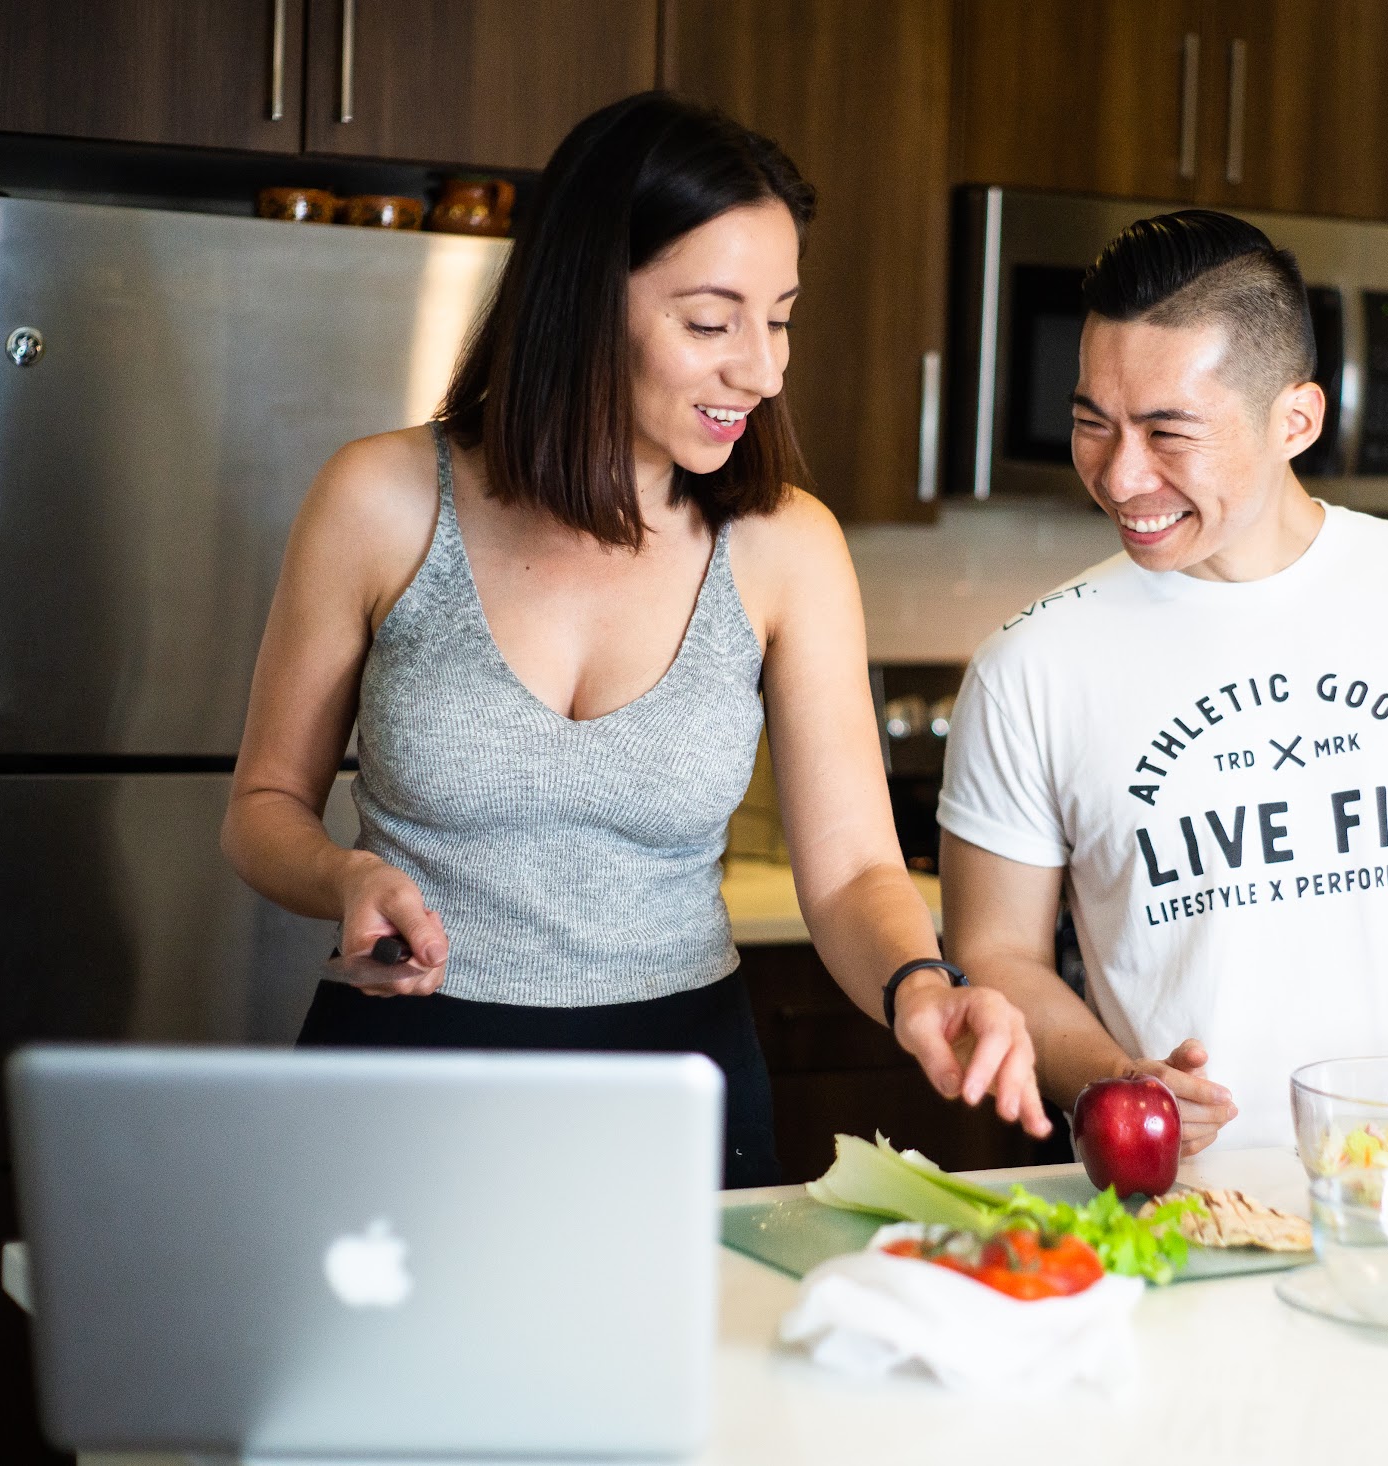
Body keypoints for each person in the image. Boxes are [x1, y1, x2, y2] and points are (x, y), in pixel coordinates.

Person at [223, 93, 1048, 1189]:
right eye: (711, 322)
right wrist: (345, 876)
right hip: (402, 1076)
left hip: (676, 1086)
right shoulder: (380, 499)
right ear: (580, 301)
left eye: (782, 317)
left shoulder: (784, 546)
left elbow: (852, 868)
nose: (762, 369)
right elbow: (262, 807)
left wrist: (920, 986)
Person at [937, 210, 1388, 1163]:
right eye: (1092, 423)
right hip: (1186, 1203)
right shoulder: (1029, 666)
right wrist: (1118, 1078)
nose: (1121, 473)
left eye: (1168, 431)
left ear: (1295, 419)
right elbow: (996, 951)